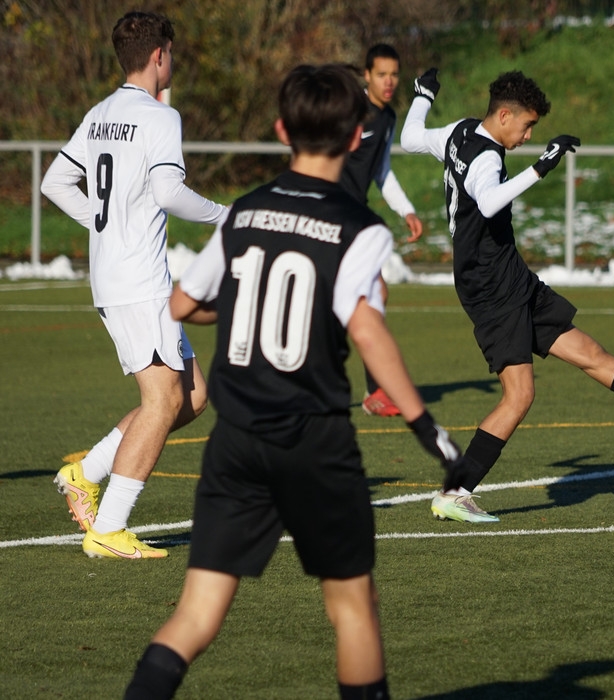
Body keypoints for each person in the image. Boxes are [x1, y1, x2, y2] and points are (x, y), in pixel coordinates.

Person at [123, 62, 463, 700]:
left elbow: (184, 304)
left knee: (196, 616)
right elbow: (366, 330)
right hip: (314, 441)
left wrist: (243, 300)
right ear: (358, 137)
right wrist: (426, 427)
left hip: (237, 441)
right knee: (353, 609)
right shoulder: (361, 228)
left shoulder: (245, 212)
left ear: (281, 130)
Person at [401, 68, 614, 523]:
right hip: (490, 288)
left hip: (509, 277)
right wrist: (540, 168)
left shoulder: (460, 131)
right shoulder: (487, 159)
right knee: (519, 396)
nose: (528, 136)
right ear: (504, 115)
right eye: (527, 126)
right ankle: (454, 492)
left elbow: (410, 138)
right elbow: (489, 201)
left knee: (592, 355)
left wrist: (422, 96)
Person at [41, 11, 229, 559]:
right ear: (158, 55)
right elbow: (168, 192)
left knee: (192, 396)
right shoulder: (159, 116)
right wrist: (226, 216)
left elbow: (55, 182)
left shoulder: (100, 113)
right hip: (139, 280)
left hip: (119, 276)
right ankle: (109, 528)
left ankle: (84, 472)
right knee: (163, 399)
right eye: (172, 51)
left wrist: (106, 226)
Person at [341, 43, 424, 418]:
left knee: (373, 294)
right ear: (367, 75)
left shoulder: (388, 117)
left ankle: (375, 390)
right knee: (365, 296)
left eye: (394, 75)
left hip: (353, 219)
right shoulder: (347, 109)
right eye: (381, 75)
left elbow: (381, 170)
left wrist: (406, 209)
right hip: (330, 216)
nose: (389, 82)